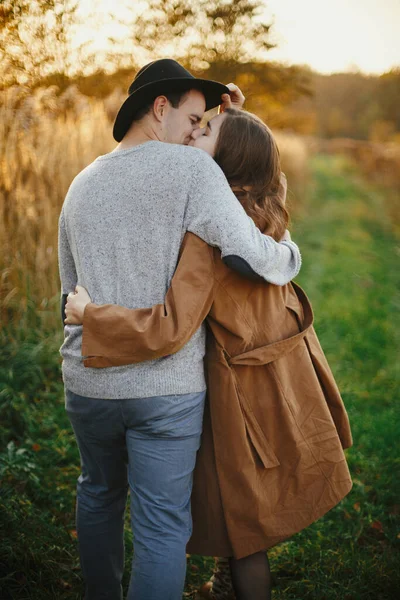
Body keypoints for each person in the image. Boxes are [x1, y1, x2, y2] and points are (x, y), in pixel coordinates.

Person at [65, 108, 353, 600]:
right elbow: (266, 171)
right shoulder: (267, 214)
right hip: (277, 383)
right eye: (196, 120)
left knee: (239, 520)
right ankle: (224, 583)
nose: (195, 130)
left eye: (207, 128)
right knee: (245, 517)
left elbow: (172, 324)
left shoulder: (209, 233)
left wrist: (92, 315)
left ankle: (226, 582)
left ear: (222, 159)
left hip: (233, 396)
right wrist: (239, 115)